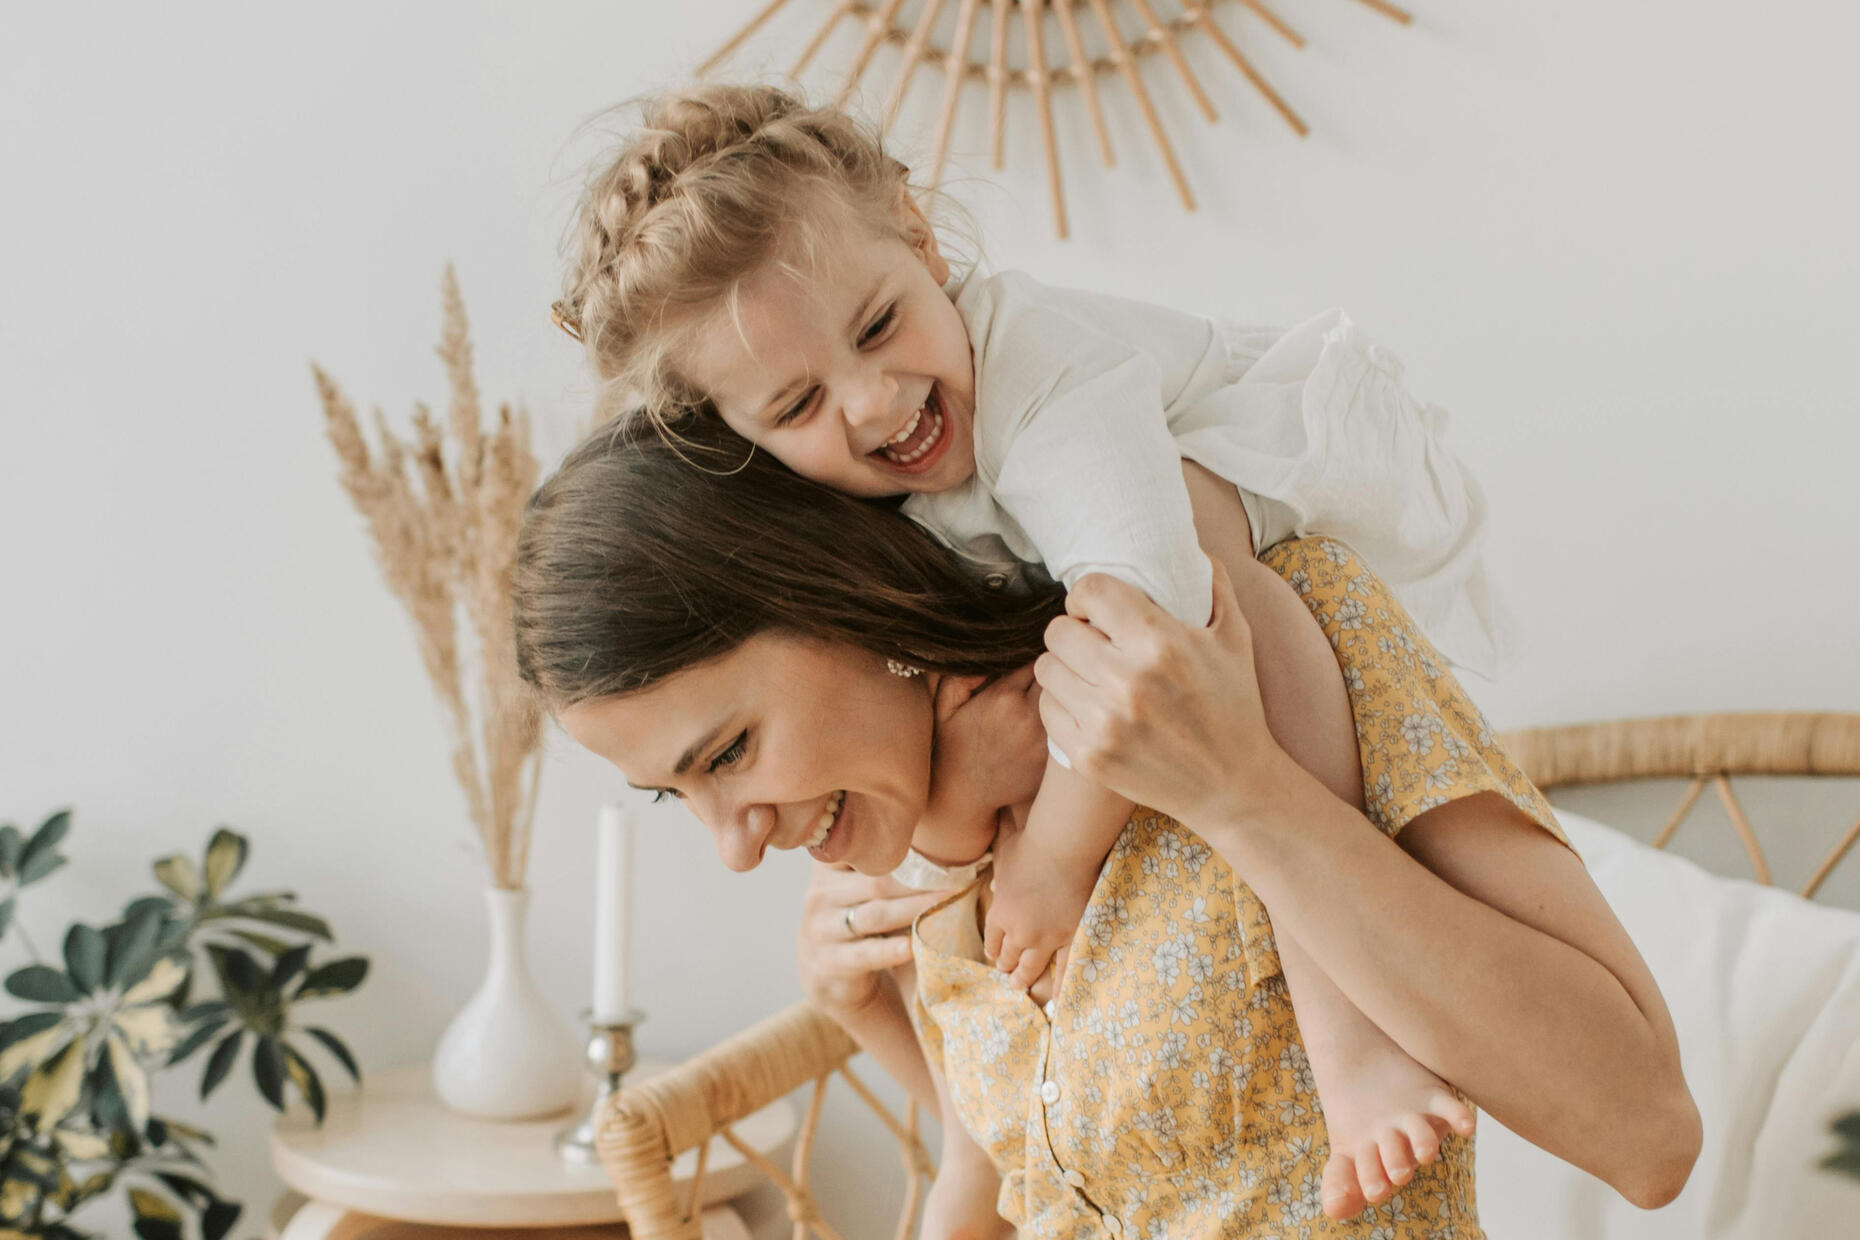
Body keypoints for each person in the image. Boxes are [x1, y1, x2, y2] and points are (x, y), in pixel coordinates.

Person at [549, 82, 1507, 1204]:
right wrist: (941, 849)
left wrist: (1053, 856)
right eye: (800, 403)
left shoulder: (1044, 375)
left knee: (1205, 583)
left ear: (920, 235)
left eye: (879, 325)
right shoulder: (867, 540)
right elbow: (1008, 1149)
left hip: (1286, 487)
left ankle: (1353, 1031)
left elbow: (1149, 613)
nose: (873, 401)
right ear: (744, 440)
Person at [511, 415, 1699, 1238]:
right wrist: (870, 1008)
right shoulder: (929, 845)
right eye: (678, 795)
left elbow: (1646, 1133)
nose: (735, 844)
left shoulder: (1262, 638)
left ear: (840, 593)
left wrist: (1244, 789)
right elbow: (1062, 1172)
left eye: (728, 754)